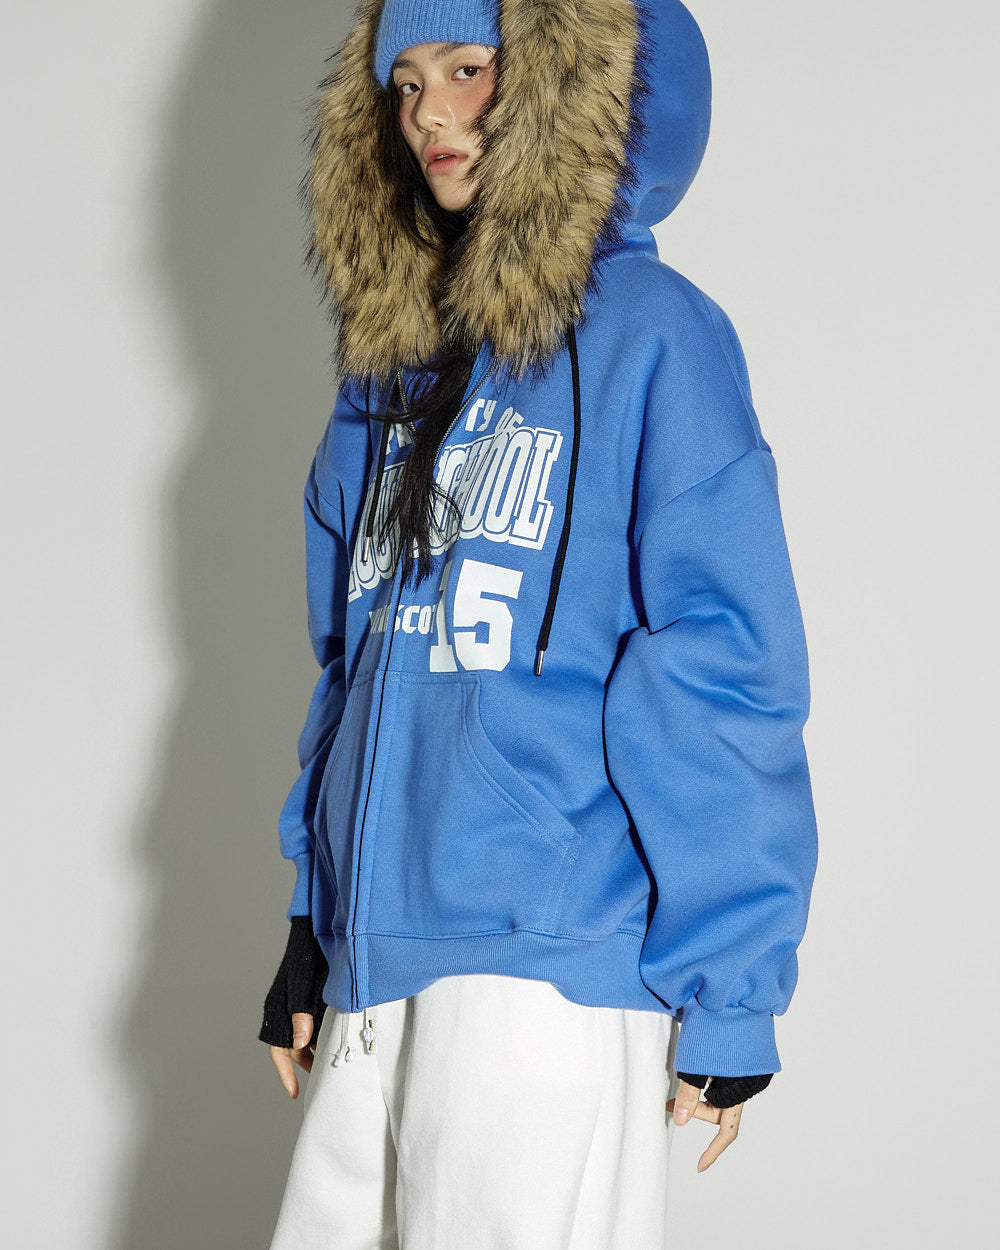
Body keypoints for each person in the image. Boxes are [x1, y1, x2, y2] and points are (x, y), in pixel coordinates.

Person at [259, 0, 819, 1244]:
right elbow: (350, 667)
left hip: (546, 963)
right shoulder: (386, 370)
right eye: (405, 83)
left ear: (575, 87)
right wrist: (312, 913)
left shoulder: (654, 336)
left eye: (468, 67)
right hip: (379, 958)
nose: (431, 115)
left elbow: (719, 663)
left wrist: (730, 985)